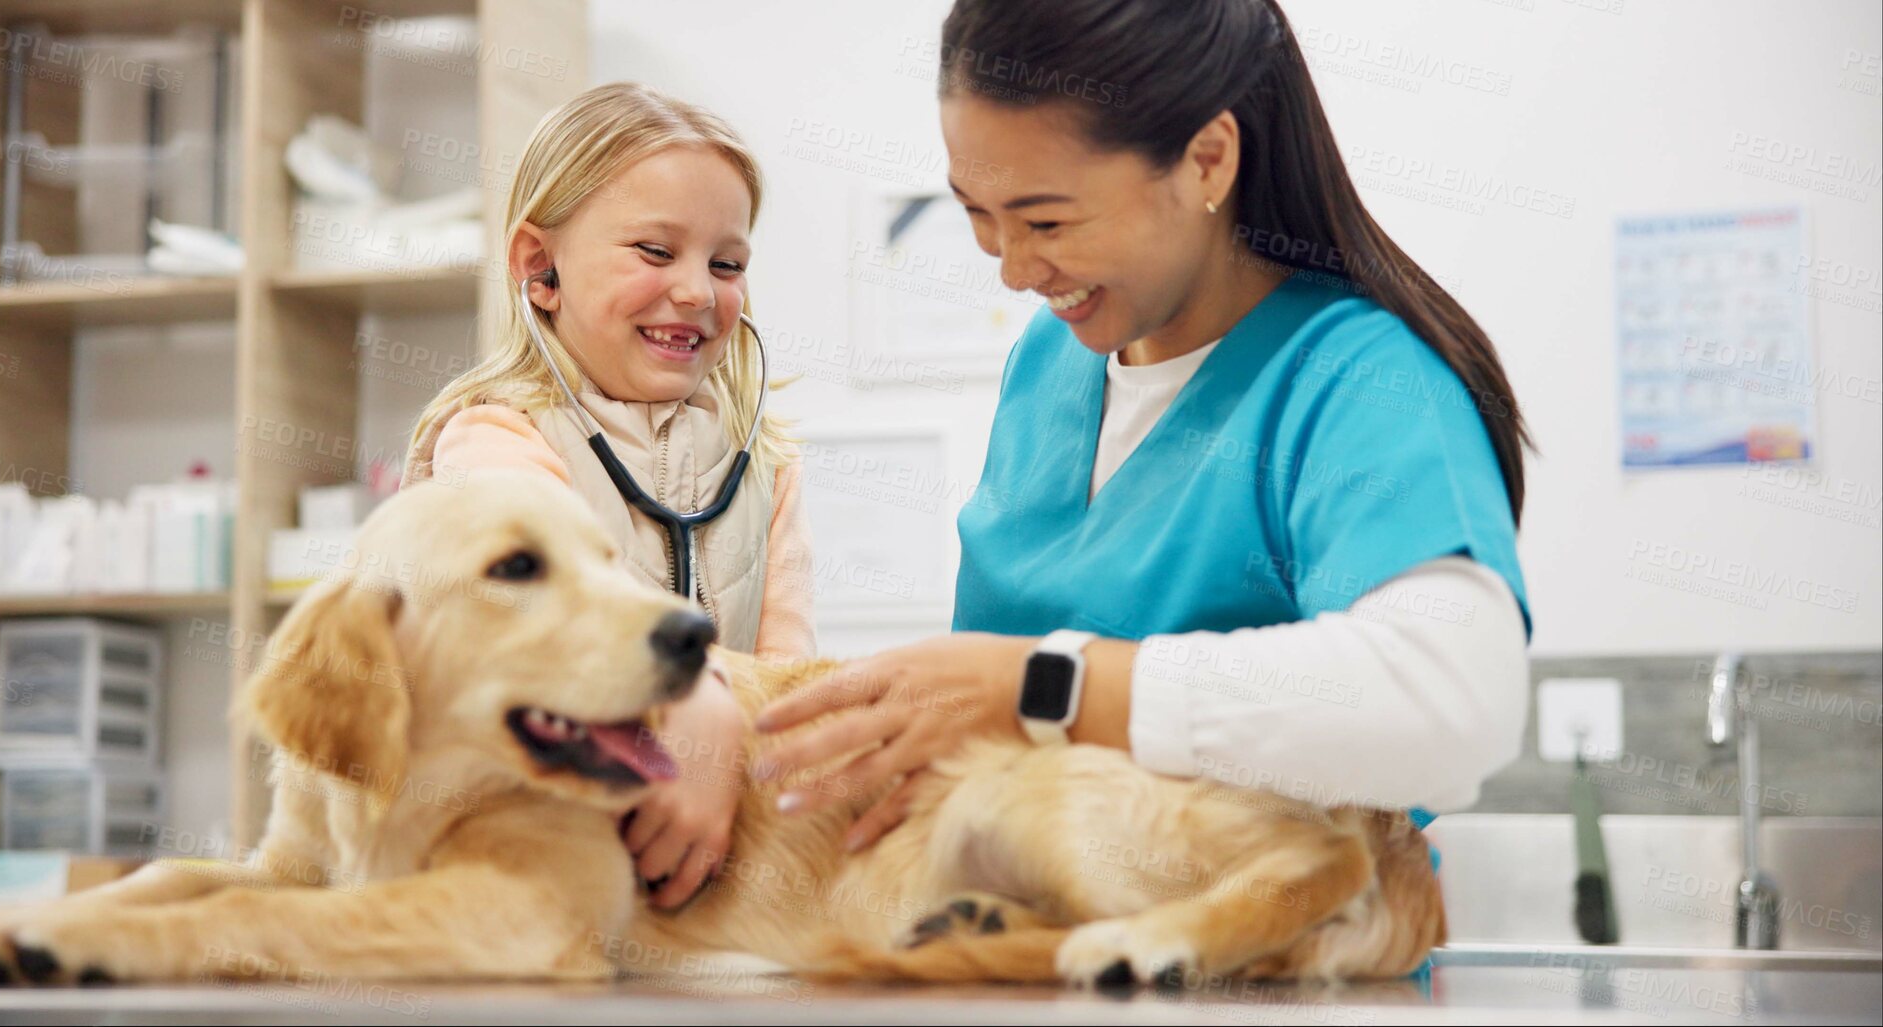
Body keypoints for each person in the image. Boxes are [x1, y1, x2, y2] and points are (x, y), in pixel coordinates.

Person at [753, 0, 1534, 859]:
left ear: (1206, 160)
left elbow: (1452, 701)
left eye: (1047, 221)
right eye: (978, 214)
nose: (1013, 268)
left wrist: (1049, 688)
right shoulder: (1050, 362)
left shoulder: (1361, 381)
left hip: (1262, 977)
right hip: (1032, 963)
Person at [402, 82, 814, 910]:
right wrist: (697, 698)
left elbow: (791, 686)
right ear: (540, 268)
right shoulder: (493, 440)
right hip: (530, 862)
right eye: (656, 253)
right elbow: (546, 629)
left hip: (707, 872)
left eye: (726, 263)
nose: (699, 291)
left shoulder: (764, 467)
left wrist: (736, 728)